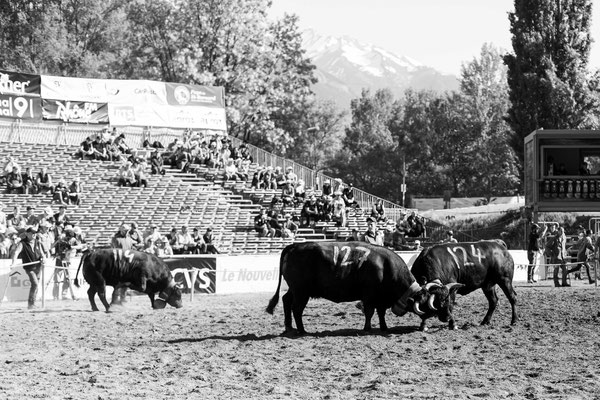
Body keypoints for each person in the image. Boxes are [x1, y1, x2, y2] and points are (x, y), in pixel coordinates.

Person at [12, 227, 46, 309]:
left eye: (35, 233)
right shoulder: (22, 243)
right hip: (29, 268)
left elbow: (42, 253)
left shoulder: (37, 242)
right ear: (27, 234)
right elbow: (16, 252)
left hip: (38, 266)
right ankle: (31, 304)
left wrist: (44, 258)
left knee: (36, 285)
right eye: (32, 233)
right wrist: (13, 263)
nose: (34, 234)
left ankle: (32, 303)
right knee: (35, 284)